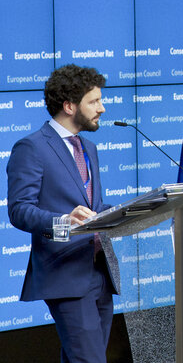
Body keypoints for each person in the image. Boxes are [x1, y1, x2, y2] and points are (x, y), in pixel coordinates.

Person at [7, 64, 120, 363]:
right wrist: (62, 222)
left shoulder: (89, 148)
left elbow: (93, 209)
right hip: (65, 274)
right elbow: (19, 211)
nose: (102, 108)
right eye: (94, 101)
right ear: (70, 106)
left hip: (100, 270)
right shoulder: (31, 148)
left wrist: (128, 212)